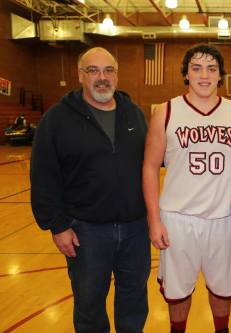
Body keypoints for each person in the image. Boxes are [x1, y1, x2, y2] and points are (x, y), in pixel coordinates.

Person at [30, 47, 150, 333]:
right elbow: (43, 176)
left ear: (117, 76)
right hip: (86, 232)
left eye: (108, 70)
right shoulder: (56, 119)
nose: (102, 78)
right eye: (93, 71)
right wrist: (57, 226)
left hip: (135, 229)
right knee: (89, 305)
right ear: (80, 75)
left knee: (134, 301)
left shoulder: (133, 113)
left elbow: (153, 163)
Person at [142, 44, 231, 333]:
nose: (204, 75)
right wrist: (154, 220)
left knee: (223, 288)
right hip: (178, 218)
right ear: (186, 74)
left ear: (221, 76)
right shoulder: (165, 112)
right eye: (196, 68)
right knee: (177, 291)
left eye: (211, 68)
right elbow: (150, 167)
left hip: (223, 219)